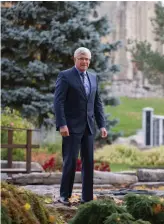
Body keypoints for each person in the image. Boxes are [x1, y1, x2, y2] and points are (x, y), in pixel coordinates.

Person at [54, 47, 108, 206]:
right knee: (70, 161)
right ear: (75, 59)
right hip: (70, 128)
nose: (84, 62)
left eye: (87, 59)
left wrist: (102, 125)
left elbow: (97, 103)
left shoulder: (93, 77)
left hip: (89, 128)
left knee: (89, 162)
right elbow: (58, 102)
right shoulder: (65, 76)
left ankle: (87, 198)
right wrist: (62, 124)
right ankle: (64, 195)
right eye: (81, 58)